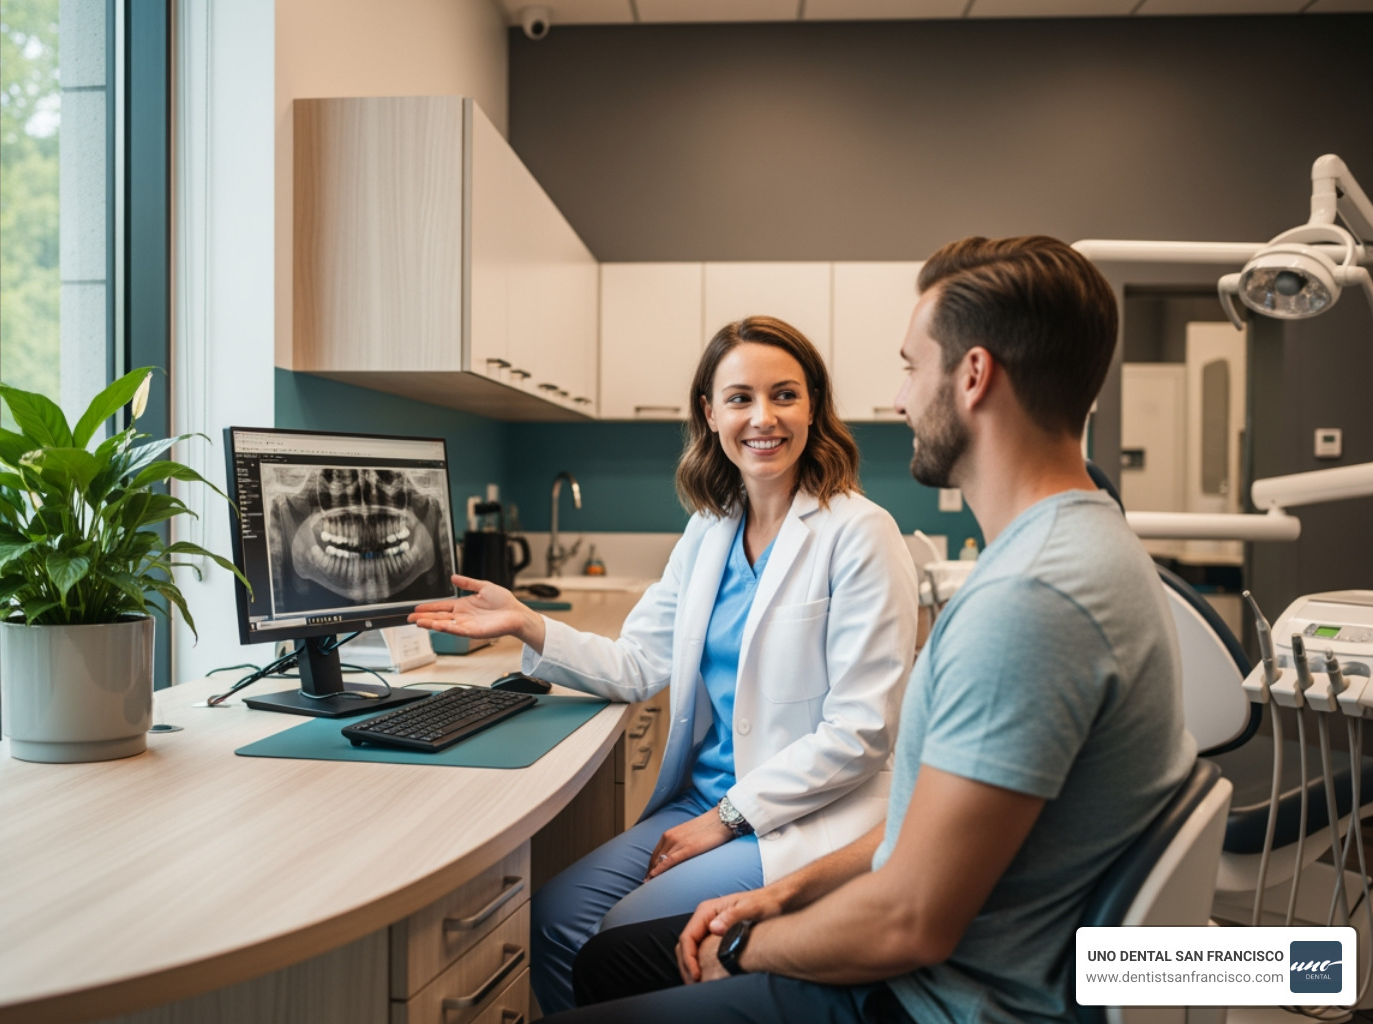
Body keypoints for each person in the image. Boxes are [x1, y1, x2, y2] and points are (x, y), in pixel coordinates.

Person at [545, 236, 1196, 1024]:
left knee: (621, 959)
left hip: (940, 999)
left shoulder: (1028, 602)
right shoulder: (1085, 548)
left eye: (910, 366)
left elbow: (911, 921)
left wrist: (743, 943)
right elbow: (918, 828)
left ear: (974, 376)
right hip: (965, 953)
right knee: (603, 945)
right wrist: (788, 892)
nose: (897, 399)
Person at [410, 316, 919, 1014]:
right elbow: (639, 662)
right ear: (709, 414)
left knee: (621, 935)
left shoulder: (860, 533)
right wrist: (528, 623)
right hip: (701, 800)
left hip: (800, 814)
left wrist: (729, 818)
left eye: (785, 395)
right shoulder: (711, 529)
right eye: (739, 398)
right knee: (555, 921)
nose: (762, 417)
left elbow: (861, 731)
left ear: (814, 407)